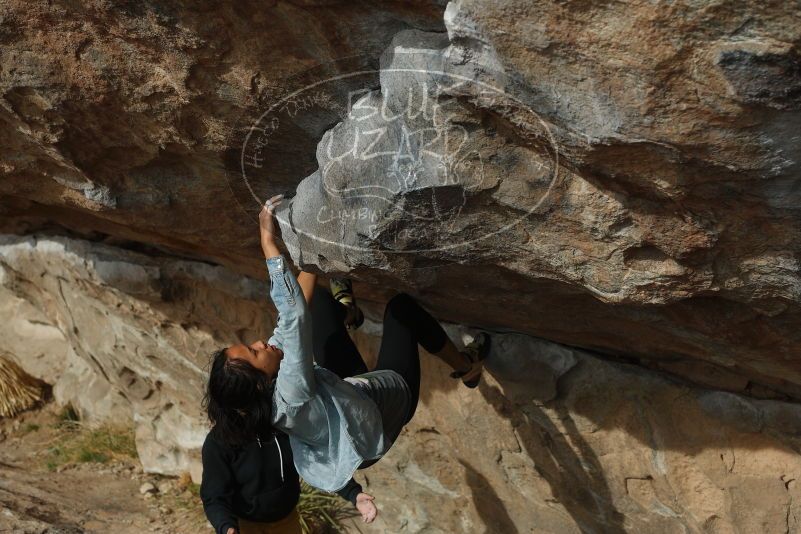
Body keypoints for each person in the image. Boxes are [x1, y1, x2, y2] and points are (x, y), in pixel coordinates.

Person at [206, 194, 489, 524]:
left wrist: (315, 252)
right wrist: (268, 242)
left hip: (344, 397)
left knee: (319, 305)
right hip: (381, 409)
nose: (258, 343)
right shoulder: (290, 396)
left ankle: (348, 312)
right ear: (260, 383)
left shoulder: (270, 383)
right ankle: (468, 367)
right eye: (254, 353)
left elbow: (291, 321)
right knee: (400, 309)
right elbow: (293, 314)